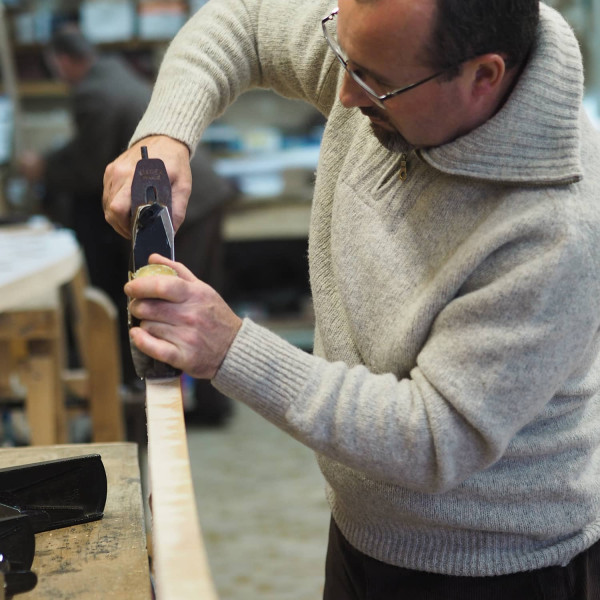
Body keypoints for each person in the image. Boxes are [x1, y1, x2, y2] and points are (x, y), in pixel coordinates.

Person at [102, 0, 600, 597]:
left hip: (493, 568)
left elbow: (433, 437)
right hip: (365, 526)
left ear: (483, 76)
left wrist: (230, 348)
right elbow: (245, 22)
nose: (343, 95)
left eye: (374, 82)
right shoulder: (387, 48)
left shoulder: (553, 229)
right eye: (343, 54)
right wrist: (168, 132)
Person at [19, 25, 237, 425]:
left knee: (177, 302)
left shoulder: (91, 92)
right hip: (196, 193)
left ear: (65, 61)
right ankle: (207, 403)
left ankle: (192, 403)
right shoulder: (111, 72)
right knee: (198, 294)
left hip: (183, 201)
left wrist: (44, 169)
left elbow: (90, 165)